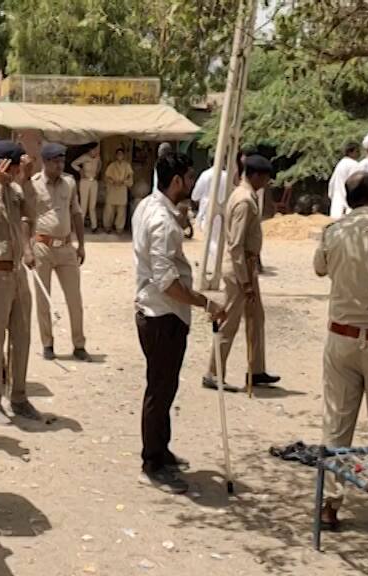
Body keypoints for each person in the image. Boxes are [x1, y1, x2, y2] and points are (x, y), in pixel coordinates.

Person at [133, 152, 225, 494]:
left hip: (159, 313)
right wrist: (205, 302)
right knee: (159, 388)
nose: (191, 184)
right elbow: (166, 282)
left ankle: (161, 450)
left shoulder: (151, 207)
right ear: (176, 181)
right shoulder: (161, 221)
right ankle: (152, 463)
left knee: (165, 386)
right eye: (188, 178)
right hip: (162, 316)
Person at [313, 171, 368, 529]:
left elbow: (320, 269)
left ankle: (329, 504)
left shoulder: (334, 232)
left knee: (336, 423)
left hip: (341, 337)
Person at [203, 155, 280, 391]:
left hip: (247, 268)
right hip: (239, 270)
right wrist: (245, 281)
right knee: (230, 322)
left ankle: (256, 370)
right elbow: (236, 244)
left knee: (256, 318)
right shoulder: (245, 200)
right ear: (256, 176)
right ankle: (213, 372)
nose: (266, 183)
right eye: (265, 178)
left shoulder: (242, 195)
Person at [0, 141, 39, 425]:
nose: (18, 171)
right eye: (16, 167)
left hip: (17, 272)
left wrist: (25, 181)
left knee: (22, 336)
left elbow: (31, 214)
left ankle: (19, 395)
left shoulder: (16, 189)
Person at [31, 143, 90, 362]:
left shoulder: (69, 183)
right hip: (42, 247)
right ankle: (48, 343)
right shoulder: (33, 185)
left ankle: (79, 344)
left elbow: (76, 213)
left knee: (74, 298)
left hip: (66, 247)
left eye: (61, 161)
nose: (59, 165)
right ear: (45, 162)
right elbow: (26, 218)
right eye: (55, 161)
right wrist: (27, 249)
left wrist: (81, 244)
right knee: (43, 298)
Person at [71, 144, 101, 232]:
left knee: (92, 205)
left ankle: (94, 226)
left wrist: (97, 173)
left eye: (96, 150)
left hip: (93, 182)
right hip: (85, 181)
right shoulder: (84, 157)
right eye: (94, 150)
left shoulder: (97, 158)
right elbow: (73, 164)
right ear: (89, 150)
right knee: (83, 205)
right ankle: (81, 225)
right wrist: (80, 170)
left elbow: (99, 166)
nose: (95, 152)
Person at [103, 148, 134, 234]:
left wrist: (124, 182)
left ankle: (119, 227)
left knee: (121, 210)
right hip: (112, 188)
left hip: (122, 189)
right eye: (118, 154)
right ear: (116, 155)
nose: (120, 155)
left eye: (121, 154)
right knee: (109, 209)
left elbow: (130, 178)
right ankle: (107, 226)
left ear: (123, 155)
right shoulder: (112, 165)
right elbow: (106, 177)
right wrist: (113, 181)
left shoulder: (127, 166)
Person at [191, 163, 228, 232]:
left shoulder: (205, 174)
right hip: (222, 216)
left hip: (206, 214)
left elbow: (195, 196)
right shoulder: (227, 176)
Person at [327, 142, 360, 219]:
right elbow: (355, 183)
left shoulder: (340, 164)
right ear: (350, 152)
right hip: (348, 203)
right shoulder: (353, 164)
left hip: (337, 201)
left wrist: (333, 196)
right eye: (357, 151)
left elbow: (332, 183)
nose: (359, 154)